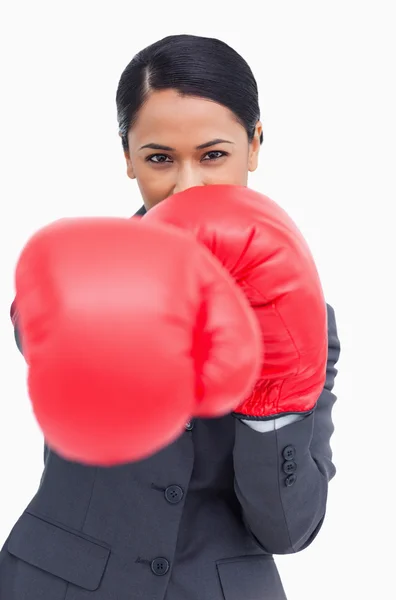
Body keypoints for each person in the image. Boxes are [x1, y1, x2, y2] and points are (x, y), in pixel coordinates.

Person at [0, 34, 340, 600]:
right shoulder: (82, 273)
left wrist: (270, 406)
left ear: (254, 146)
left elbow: (289, 529)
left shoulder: (304, 316)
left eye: (213, 156)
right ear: (128, 157)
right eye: (160, 158)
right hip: (58, 584)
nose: (188, 186)